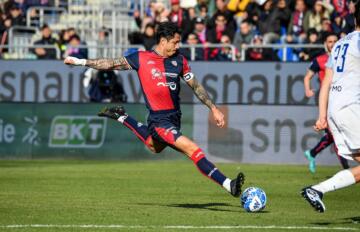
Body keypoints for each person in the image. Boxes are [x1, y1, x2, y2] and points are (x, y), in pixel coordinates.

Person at [64, 22, 245, 198]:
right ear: (163, 41)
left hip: (175, 118)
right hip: (159, 120)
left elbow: (195, 86)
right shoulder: (141, 58)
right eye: (175, 42)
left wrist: (213, 108)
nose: (178, 45)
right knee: (192, 149)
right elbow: (110, 64)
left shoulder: (180, 60)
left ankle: (122, 116)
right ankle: (229, 184)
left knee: (153, 145)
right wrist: (82, 61)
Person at [301, 1, 360, 213]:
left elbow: (326, 82)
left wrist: (322, 115)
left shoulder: (341, 44)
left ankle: (317, 189)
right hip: (351, 108)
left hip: (337, 110)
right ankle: (317, 189)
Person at [303, 32, 349, 173]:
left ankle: (312, 153)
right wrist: (307, 89)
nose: (333, 44)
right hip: (327, 101)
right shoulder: (320, 60)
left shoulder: (345, 58)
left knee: (334, 133)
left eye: (335, 41)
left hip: (341, 98)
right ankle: (347, 171)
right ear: (325, 44)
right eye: (330, 41)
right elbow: (307, 76)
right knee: (335, 135)